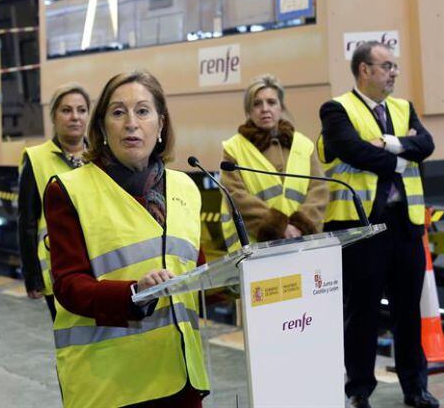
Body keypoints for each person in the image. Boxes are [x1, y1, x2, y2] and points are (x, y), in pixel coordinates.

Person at [44, 71, 209, 408]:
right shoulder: (68, 190)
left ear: (161, 124)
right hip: (113, 383)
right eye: (118, 113)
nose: (131, 123)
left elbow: (196, 269)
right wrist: (134, 293)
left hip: (181, 377)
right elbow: (68, 286)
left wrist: (237, 280)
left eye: (143, 111)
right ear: (102, 127)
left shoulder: (185, 188)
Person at [318, 41, 436, 408]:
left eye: (395, 66)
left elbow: (427, 144)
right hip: (362, 227)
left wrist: (387, 143)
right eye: (387, 66)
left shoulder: (403, 108)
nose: (394, 73)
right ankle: (359, 391)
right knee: (362, 313)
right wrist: (402, 156)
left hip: (405, 227)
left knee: (408, 313)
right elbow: (353, 151)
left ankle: (415, 388)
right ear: (364, 69)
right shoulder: (337, 109)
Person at [220, 74, 328, 251]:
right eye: (257, 104)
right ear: (248, 110)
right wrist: (280, 227)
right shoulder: (233, 148)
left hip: (301, 242)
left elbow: (319, 190)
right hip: (256, 248)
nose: (264, 109)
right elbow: (236, 196)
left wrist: (299, 226)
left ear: (281, 107)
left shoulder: (303, 145)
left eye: (271, 102)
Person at [18, 82, 90, 320]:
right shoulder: (36, 159)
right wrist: (32, 277)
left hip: (99, 263)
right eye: (66, 110)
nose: (75, 117)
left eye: (81, 110)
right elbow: (27, 222)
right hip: (59, 269)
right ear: (54, 116)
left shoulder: (101, 157)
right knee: (71, 339)